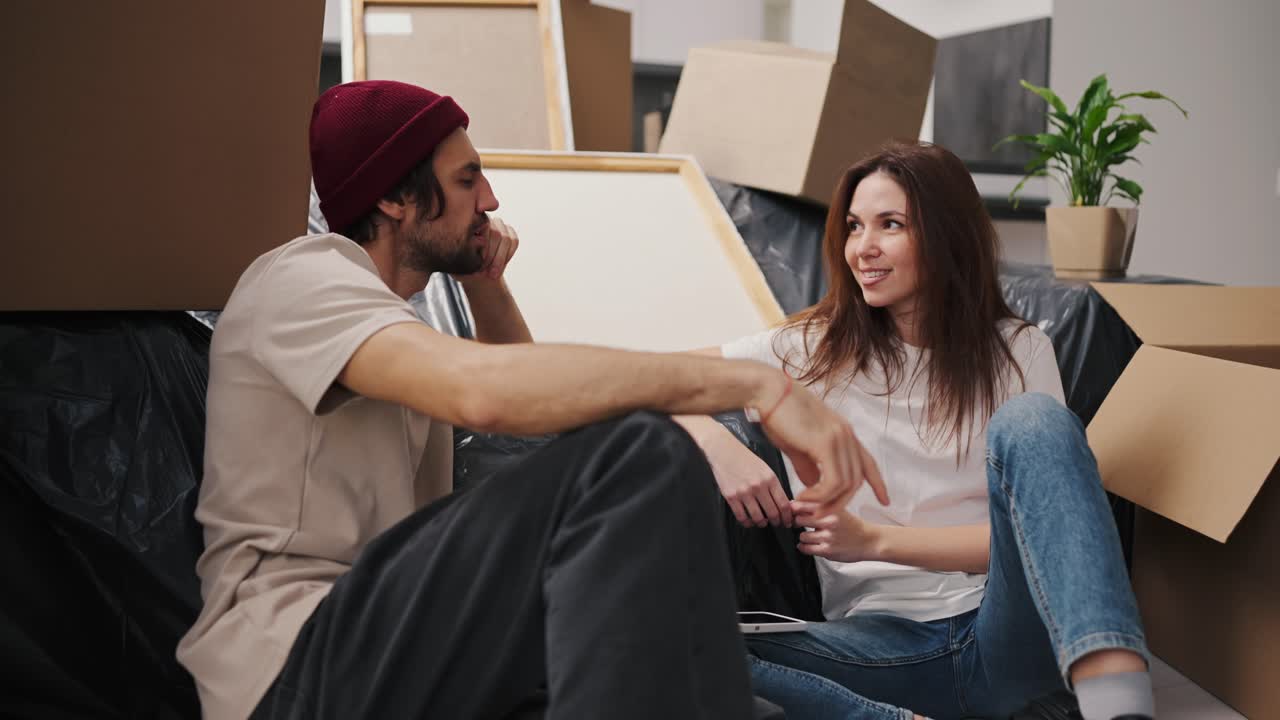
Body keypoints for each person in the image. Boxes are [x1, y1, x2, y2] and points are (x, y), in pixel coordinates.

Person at [176, 79, 888, 720]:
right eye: (467, 179)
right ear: (394, 197)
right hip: (293, 659)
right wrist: (756, 385)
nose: (490, 200)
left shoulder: (389, 322)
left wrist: (485, 283)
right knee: (639, 456)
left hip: (402, 646)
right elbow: (483, 393)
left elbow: (529, 409)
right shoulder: (302, 279)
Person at [674, 142, 1154, 720]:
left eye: (891, 224)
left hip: (1004, 629)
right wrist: (714, 442)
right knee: (687, 646)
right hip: (879, 650)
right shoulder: (804, 350)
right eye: (854, 226)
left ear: (946, 234)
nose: (863, 247)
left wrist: (874, 542)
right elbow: (647, 377)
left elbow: (1043, 538)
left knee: (1036, 419)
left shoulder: (1019, 349)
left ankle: (1118, 702)